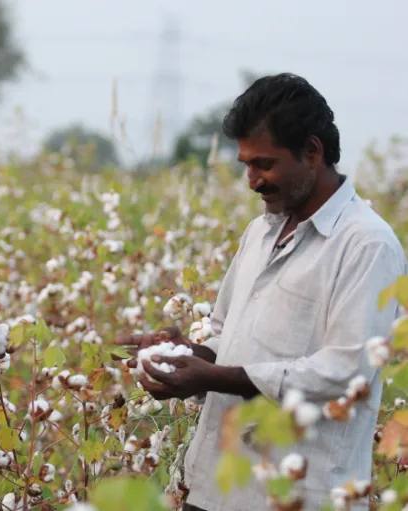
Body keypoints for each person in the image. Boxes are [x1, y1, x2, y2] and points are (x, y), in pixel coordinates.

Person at [118, 73, 407, 510]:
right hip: (213, 487)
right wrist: (185, 355)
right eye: (246, 165)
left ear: (312, 152)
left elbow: (347, 373)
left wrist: (215, 376)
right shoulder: (260, 232)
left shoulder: (366, 245)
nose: (252, 180)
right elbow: (226, 337)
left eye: (265, 164)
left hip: (298, 495)